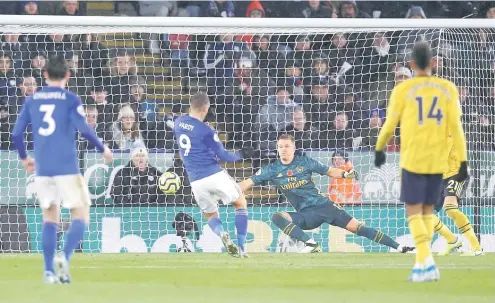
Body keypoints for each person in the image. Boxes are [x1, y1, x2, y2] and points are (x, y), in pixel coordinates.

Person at [11, 55, 113, 284]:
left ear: (44, 75)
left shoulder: (32, 100)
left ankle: (48, 272)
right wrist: (102, 148)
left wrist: (25, 158)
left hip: (43, 168)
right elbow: (84, 129)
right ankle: (65, 257)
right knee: (81, 215)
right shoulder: (70, 99)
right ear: (68, 75)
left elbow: (16, 134)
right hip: (67, 166)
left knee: (49, 219)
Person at [374, 42, 469, 282]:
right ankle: (426, 264)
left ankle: (423, 263)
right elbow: (457, 128)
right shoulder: (447, 88)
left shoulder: (403, 90)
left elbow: (389, 124)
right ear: (434, 63)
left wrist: (379, 148)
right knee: (428, 212)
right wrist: (463, 160)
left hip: (414, 158)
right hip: (438, 161)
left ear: (412, 64)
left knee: (415, 212)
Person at [238, 135, 414, 254]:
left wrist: (345, 174)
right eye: (280, 146)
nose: (284, 149)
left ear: (294, 147)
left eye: (287, 146)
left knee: (358, 228)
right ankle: (310, 243)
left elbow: (329, 171)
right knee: (278, 217)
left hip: (325, 206)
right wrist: (229, 189)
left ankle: (400, 247)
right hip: (305, 215)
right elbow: (247, 183)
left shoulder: (305, 162)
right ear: (277, 149)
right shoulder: (271, 169)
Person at [173, 92, 251, 257]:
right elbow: (224, 156)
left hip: (195, 180)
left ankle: (222, 232)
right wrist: (242, 154)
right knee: (240, 202)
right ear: (205, 108)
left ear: (191, 106)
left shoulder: (178, 123)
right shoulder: (206, 130)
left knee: (210, 214)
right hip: (213, 174)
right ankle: (242, 248)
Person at [433, 135, 483, 256]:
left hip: (457, 173)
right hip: (442, 176)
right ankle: (452, 240)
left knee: (450, 208)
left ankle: (476, 248)